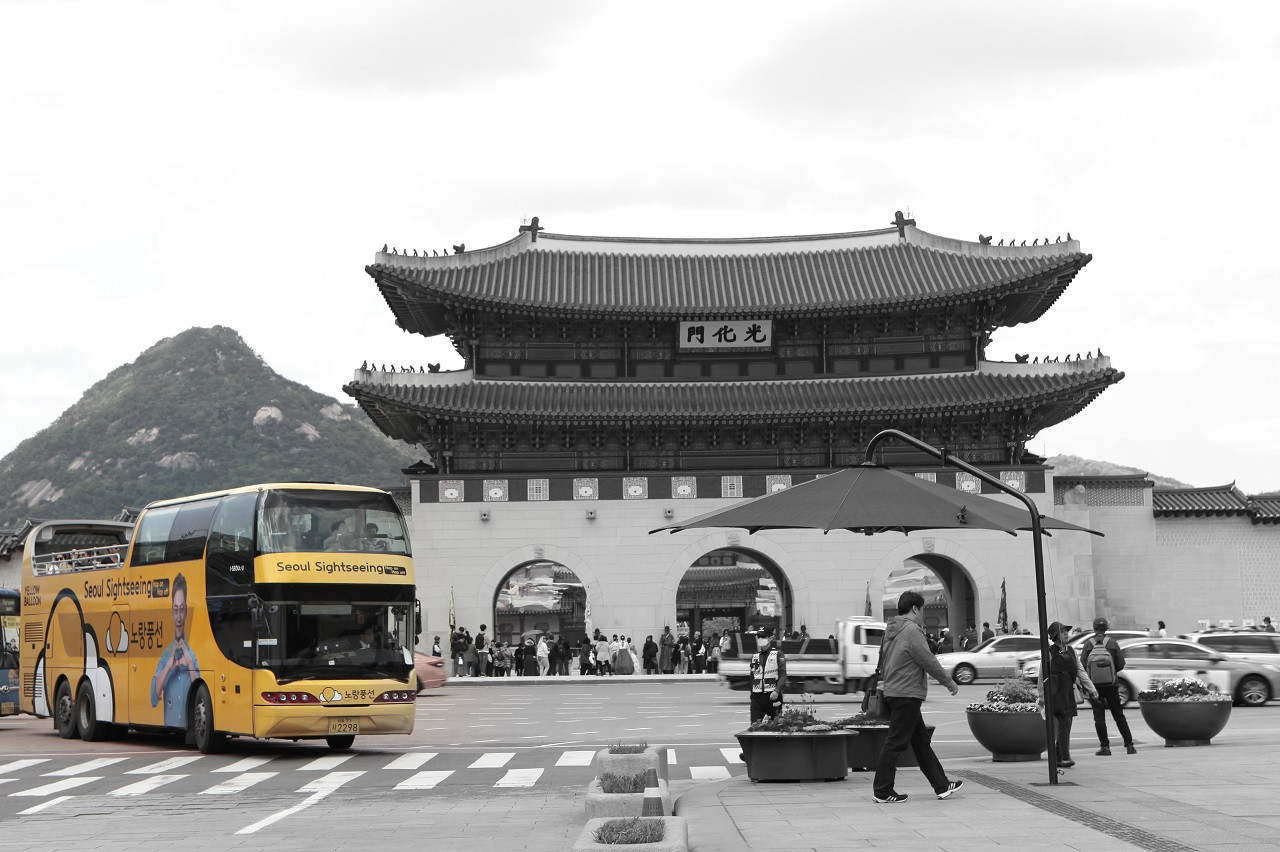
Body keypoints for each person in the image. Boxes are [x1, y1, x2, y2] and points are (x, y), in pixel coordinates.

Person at [872, 590, 962, 804]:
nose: (922, 614)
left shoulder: (892, 629)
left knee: (920, 741)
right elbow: (927, 660)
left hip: (897, 690)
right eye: (922, 609)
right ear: (915, 609)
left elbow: (884, 660)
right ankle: (882, 790)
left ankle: (941, 785)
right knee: (895, 742)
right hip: (906, 693)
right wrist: (949, 682)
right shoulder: (912, 630)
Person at [150, 573, 200, 728]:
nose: (179, 617)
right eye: (175, 610)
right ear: (172, 612)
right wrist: (168, 666)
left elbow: (200, 697)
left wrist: (190, 664)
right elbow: (154, 697)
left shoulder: (192, 655)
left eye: (182, 610)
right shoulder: (165, 655)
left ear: (186, 612)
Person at [1044, 621, 1095, 768]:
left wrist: (1092, 689)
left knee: (1066, 724)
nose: (1066, 634)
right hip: (1055, 693)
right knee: (1065, 723)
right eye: (1062, 632)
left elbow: (1080, 671)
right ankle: (1064, 757)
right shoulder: (1049, 652)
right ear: (1055, 636)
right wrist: (1042, 695)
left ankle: (1058, 757)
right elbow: (1043, 674)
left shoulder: (1072, 651)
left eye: (1067, 631)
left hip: (1068, 692)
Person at [1081, 617, 1136, 756]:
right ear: (1106, 629)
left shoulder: (1088, 644)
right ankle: (1129, 745)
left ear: (1094, 628)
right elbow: (1121, 663)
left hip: (1095, 687)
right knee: (1119, 715)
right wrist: (1110, 673)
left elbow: (1081, 665)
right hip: (1112, 685)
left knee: (1099, 718)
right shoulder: (1112, 643)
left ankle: (1105, 747)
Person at [748, 626, 786, 724]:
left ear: (770, 638)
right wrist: (752, 693)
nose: (760, 639)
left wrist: (777, 691)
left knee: (776, 727)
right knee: (754, 726)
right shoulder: (754, 656)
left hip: (772, 696)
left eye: (763, 637)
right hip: (757, 697)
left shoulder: (777, 654)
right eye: (759, 637)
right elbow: (752, 676)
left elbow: (783, 675)